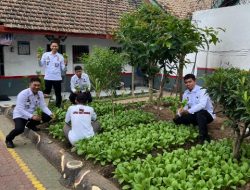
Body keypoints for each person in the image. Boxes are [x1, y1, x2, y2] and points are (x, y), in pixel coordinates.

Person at [5, 77, 53, 148]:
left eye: (38, 85)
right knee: (19, 129)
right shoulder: (23, 94)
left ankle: (31, 125)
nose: (37, 87)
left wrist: (51, 114)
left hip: (32, 114)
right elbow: (20, 109)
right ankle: (8, 139)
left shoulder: (40, 93)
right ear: (30, 85)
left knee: (47, 117)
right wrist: (32, 116)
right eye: (35, 85)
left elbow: (43, 106)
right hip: (20, 115)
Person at [173, 74, 215, 144]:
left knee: (200, 112)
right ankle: (197, 124)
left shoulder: (203, 91)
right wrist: (180, 112)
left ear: (195, 81)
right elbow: (185, 106)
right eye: (186, 82)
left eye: (190, 82)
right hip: (195, 115)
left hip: (207, 115)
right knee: (176, 120)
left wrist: (188, 111)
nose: (188, 84)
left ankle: (204, 137)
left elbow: (202, 105)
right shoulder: (186, 93)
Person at [38, 40, 67, 108]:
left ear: (58, 47)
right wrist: (39, 59)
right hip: (48, 77)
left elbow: (63, 69)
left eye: (56, 46)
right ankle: (44, 107)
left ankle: (58, 107)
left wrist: (65, 65)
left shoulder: (60, 56)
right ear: (50, 47)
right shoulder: (45, 54)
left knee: (58, 94)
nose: (54, 47)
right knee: (46, 93)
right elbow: (41, 65)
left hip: (57, 78)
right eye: (53, 46)